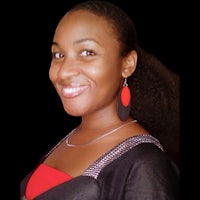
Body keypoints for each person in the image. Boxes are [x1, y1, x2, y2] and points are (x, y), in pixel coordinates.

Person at [20, 0, 179, 199]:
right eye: (58, 54)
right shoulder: (69, 140)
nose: (64, 72)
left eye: (88, 52)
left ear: (127, 64)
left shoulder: (145, 165)